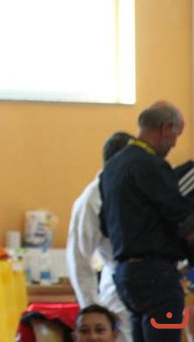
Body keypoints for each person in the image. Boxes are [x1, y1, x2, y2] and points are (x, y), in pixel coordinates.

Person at [100, 101, 194, 342]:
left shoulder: (112, 167)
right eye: (176, 135)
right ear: (165, 128)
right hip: (156, 275)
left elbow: (105, 225)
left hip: (125, 276)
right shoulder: (150, 165)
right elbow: (181, 218)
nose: (174, 144)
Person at [66, 131, 134, 342]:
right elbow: (78, 260)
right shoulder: (92, 198)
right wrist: (93, 312)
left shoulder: (142, 189)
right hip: (118, 288)